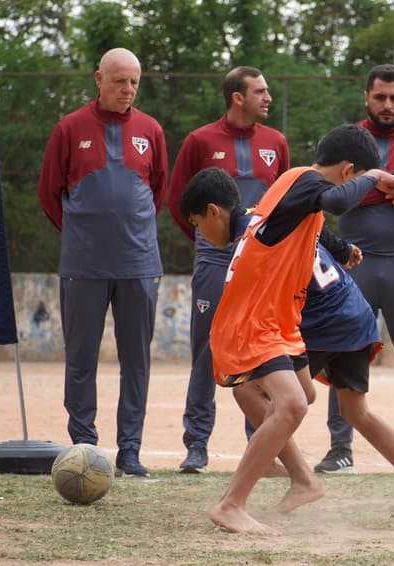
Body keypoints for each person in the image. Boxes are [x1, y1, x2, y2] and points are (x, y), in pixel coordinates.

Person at [179, 167, 394, 526]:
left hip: (318, 321)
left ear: (213, 211)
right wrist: (344, 248)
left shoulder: (253, 233)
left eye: (197, 225)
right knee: (353, 411)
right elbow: (317, 229)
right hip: (352, 311)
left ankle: (298, 479)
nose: (201, 236)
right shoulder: (268, 215)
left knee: (254, 394)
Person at [37, 48, 168, 477]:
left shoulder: (151, 129)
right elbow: (49, 193)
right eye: (119, 81)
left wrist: (132, 232)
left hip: (139, 264)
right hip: (84, 267)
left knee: (137, 361)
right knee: (81, 360)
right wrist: (83, 236)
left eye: (134, 82)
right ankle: (84, 449)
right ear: (98, 79)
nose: (127, 89)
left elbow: (158, 192)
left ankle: (130, 451)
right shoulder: (69, 128)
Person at [317, 64, 394, 475]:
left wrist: (368, 183)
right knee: (342, 353)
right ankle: (340, 448)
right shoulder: (348, 139)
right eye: (380, 97)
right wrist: (390, 184)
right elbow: (336, 195)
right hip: (355, 261)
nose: (387, 105)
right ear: (367, 97)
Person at [166, 66, 290, 473]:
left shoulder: (276, 142)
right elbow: (179, 202)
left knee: (264, 353)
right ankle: (196, 445)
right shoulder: (200, 140)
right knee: (207, 353)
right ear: (238, 97)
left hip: (261, 266)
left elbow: (283, 203)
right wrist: (209, 242)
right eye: (260, 91)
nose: (267, 97)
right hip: (215, 262)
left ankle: (261, 445)